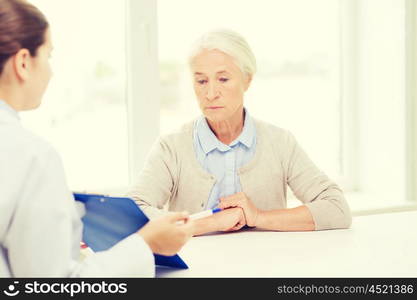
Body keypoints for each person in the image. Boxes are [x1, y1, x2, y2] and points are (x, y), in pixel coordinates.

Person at [0, 0, 194, 277]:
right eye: (48, 55)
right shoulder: (33, 157)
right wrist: (146, 243)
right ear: (22, 62)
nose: (51, 71)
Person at [128, 29, 352, 235]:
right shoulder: (171, 147)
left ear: (247, 80)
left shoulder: (280, 142)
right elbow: (131, 214)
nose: (211, 93)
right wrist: (209, 223)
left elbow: (337, 208)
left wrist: (258, 217)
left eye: (223, 79)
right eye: (201, 81)